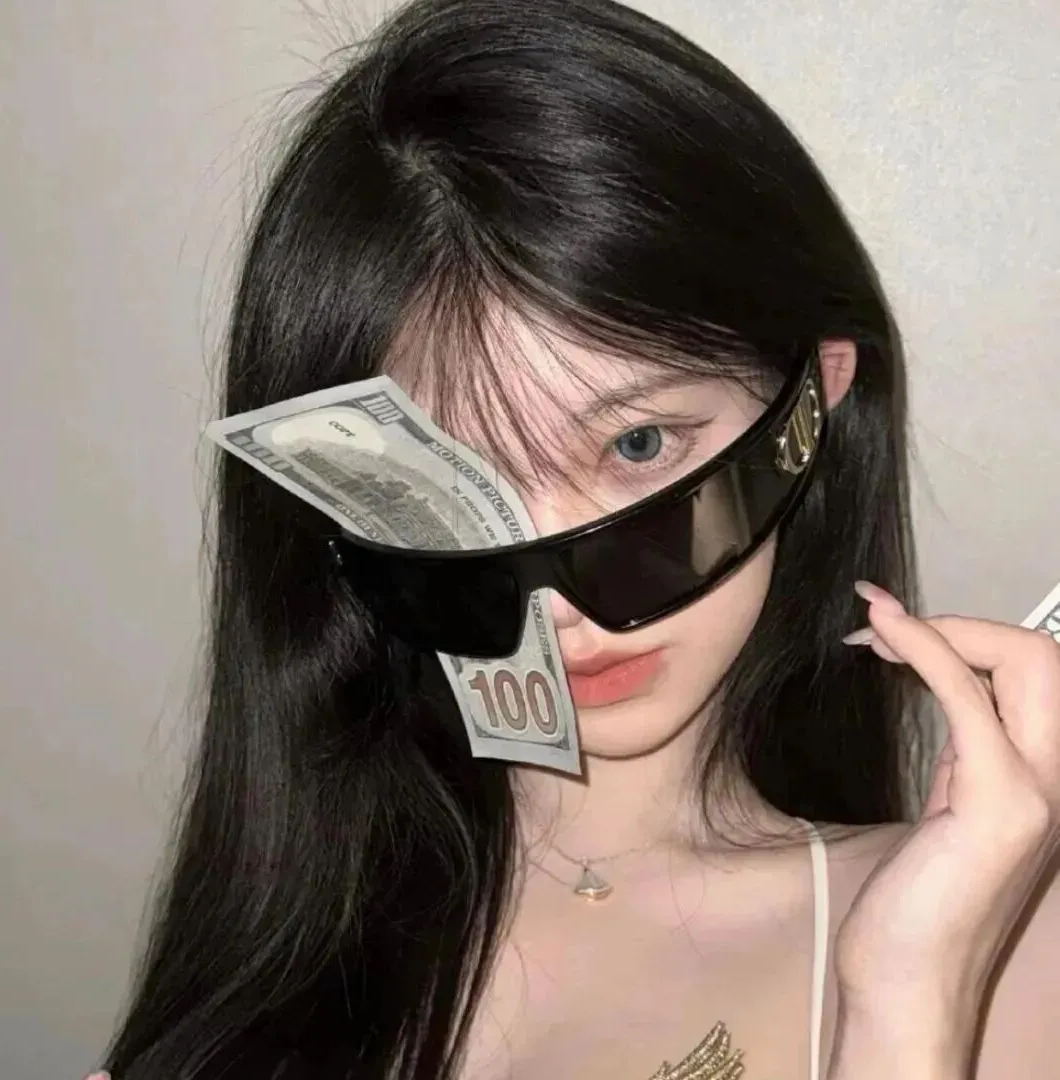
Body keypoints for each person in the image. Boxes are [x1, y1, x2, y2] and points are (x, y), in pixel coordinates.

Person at [98, 1, 1060, 1078]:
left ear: (813, 401)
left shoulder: (992, 942)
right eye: (455, 487)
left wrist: (910, 1005)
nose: (558, 606)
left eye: (638, 443)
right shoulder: (279, 949)